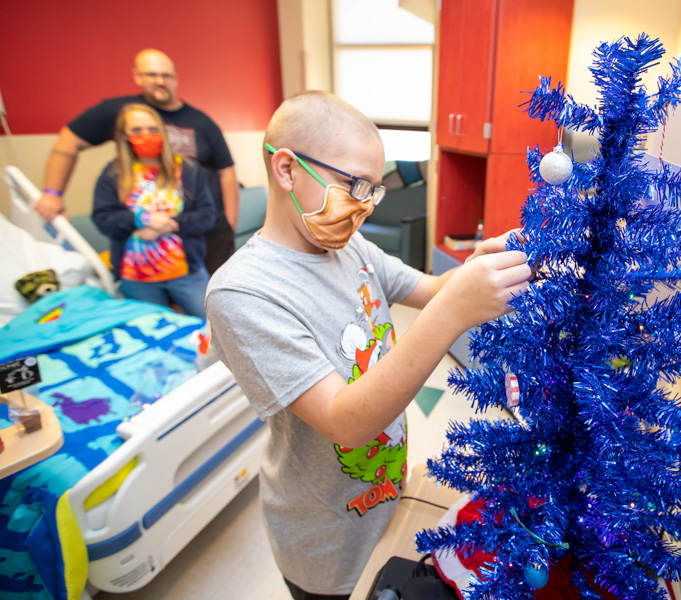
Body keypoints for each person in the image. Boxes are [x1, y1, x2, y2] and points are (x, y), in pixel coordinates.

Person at [205, 90, 533, 600]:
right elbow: (347, 422)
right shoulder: (242, 293)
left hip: (386, 491)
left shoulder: (346, 244)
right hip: (325, 533)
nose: (362, 205)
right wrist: (453, 313)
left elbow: (425, 289)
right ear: (287, 170)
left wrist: (484, 264)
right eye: (352, 184)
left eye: (373, 190)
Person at [35, 48, 238, 274]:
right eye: (151, 75)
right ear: (137, 76)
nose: (160, 81)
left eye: (166, 75)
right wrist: (52, 194)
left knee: (211, 292)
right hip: (144, 237)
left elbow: (226, 170)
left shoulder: (201, 121)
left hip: (202, 228)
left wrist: (230, 222)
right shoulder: (120, 112)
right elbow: (67, 143)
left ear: (175, 78)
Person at [92, 103, 215, 318]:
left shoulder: (187, 169)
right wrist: (142, 219)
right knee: (154, 334)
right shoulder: (114, 173)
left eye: (152, 129)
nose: (146, 135)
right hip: (136, 277)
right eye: (137, 131)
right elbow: (103, 218)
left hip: (187, 272)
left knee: (214, 321)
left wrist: (169, 224)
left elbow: (207, 216)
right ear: (124, 136)